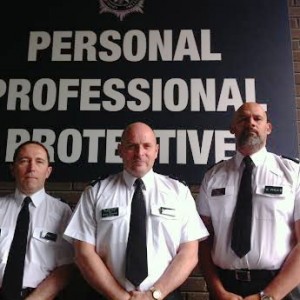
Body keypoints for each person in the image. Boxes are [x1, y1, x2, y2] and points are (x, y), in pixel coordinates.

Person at [64, 121, 209, 300]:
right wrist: (121, 297)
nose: (140, 153)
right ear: (120, 150)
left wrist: (154, 294)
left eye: (146, 146)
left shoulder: (178, 192)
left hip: (164, 296)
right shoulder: (96, 192)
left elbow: (189, 253)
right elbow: (83, 253)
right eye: (132, 146)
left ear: (156, 151)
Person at [196, 102, 300, 300]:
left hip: (279, 287)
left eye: (257, 119)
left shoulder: (293, 173)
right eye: (243, 119)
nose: (250, 123)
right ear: (232, 128)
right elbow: (203, 241)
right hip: (226, 288)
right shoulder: (213, 177)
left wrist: (268, 296)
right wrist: (217, 290)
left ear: (268, 128)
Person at [0, 141, 74, 300]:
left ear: (48, 171)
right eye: (24, 161)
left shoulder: (63, 212)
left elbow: (66, 267)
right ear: (13, 169)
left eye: (39, 161)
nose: (31, 168)